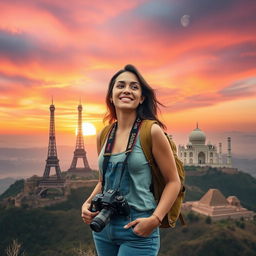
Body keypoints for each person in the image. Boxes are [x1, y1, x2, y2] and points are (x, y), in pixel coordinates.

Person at [81, 64, 181, 256]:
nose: (127, 90)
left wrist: (155, 219)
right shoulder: (104, 134)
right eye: (121, 85)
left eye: (134, 87)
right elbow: (104, 182)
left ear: (142, 98)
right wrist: (86, 203)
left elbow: (173, 182)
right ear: (111, 95)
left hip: (138, 226)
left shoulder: (151, 131)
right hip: (103, 225)